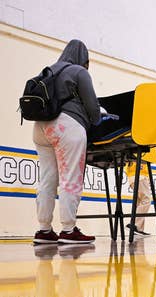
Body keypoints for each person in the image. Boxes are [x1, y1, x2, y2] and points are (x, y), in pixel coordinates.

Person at [32, 39, 101, 245]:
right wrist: (97, 117)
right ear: (84, 58)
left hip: (40, 127)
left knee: (47, 179)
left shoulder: (49, 70)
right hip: (66, 128)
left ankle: (44, 230)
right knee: (70, 178)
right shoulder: (79, 72)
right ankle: (69, 230)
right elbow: (93, 109)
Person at [125, 161, 152, 237]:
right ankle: (134, 225)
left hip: (133, 176)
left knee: (139, 202)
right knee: (146, 200)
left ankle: (138, 229)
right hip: (140, 175)